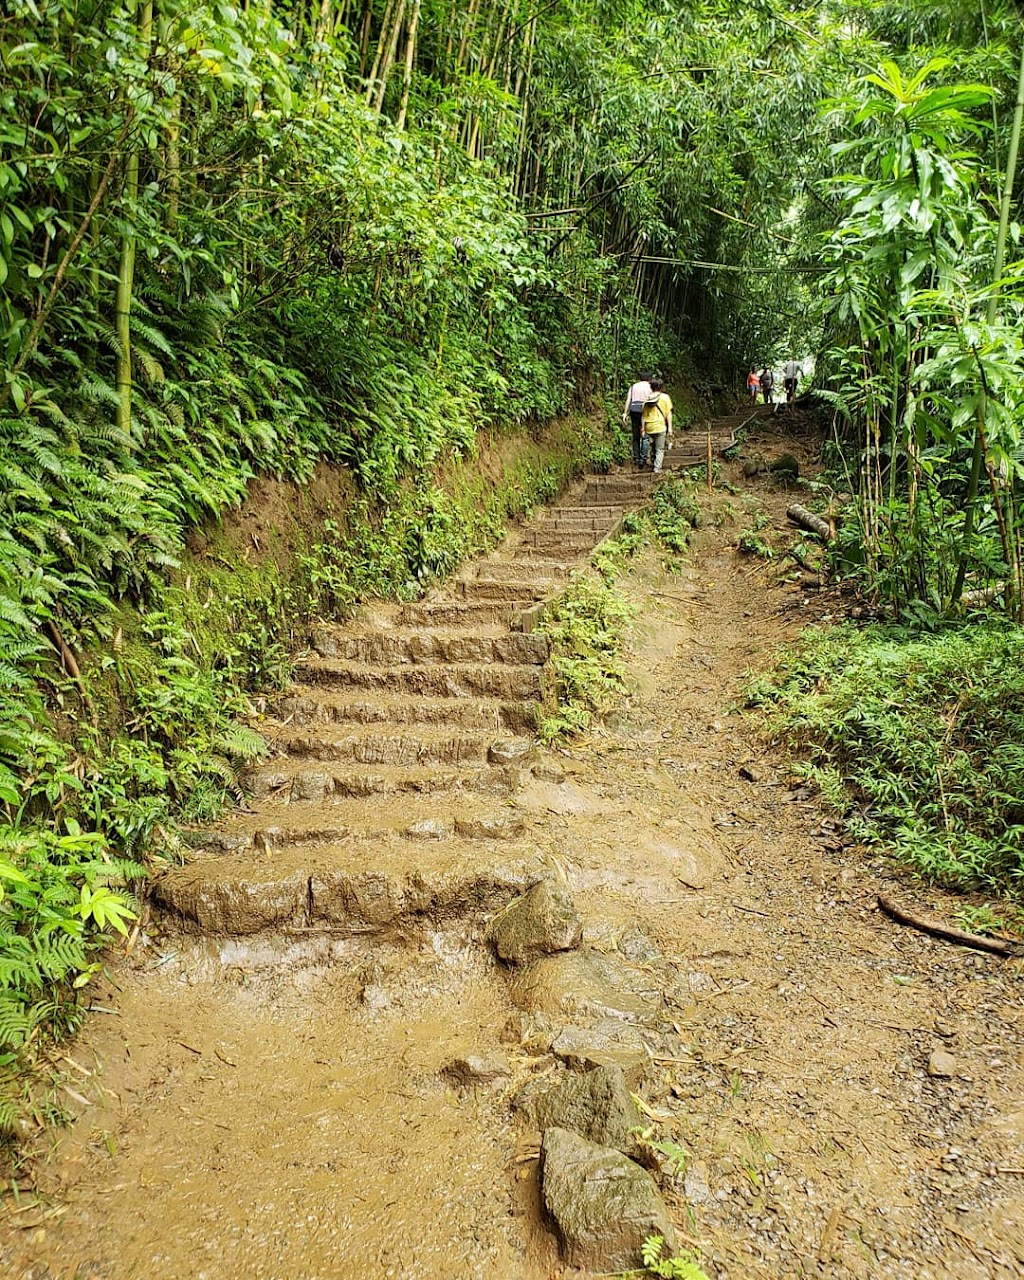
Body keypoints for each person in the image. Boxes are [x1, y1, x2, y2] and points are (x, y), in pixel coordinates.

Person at [641, 377, 673, 474]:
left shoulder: (648, 398)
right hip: (660, 426)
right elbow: (668, 414)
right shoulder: (665, 397)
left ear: (651, 387)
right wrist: (670, 428)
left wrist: (642, 428)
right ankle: (657, 468)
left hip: (649, 426)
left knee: (652, 445)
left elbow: (643, 416)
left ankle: (648, 461)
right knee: (659, 449)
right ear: (661, 387)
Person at [622, 372, 653, 469]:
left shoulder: (634, 386)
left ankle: (636, 457)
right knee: (645, 435)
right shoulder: (650, 386)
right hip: (645, 410)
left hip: (634, 409)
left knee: (636, 435)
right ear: (649, 379)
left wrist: (625, 413)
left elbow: (628, 399)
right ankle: (643, 459)